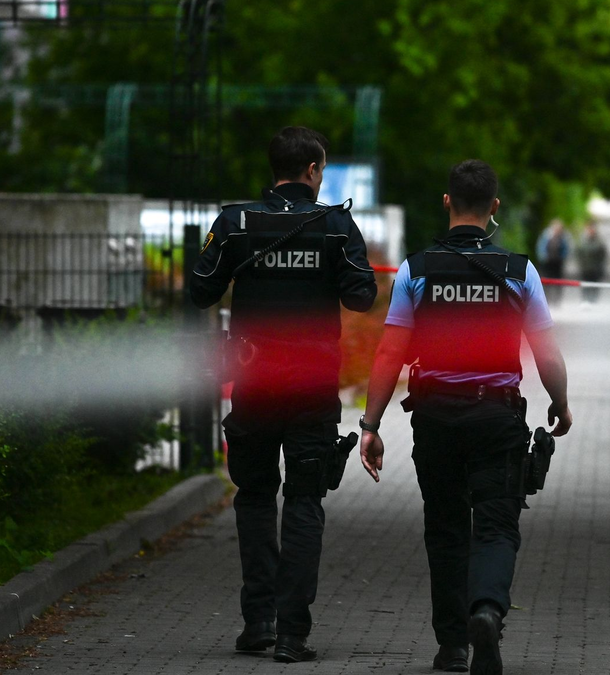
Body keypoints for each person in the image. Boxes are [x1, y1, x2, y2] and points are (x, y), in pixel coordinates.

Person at [358, 159, 572, 674]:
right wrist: (560, 403)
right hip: (497, 418)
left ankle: (453, 645)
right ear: (494, 207)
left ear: (447, 202)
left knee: (446, 528)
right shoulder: (519, 271)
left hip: (435, 419)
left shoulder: (416, 270)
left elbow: (389, 353)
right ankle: (487, 611)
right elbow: (545, 352)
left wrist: (370, 425)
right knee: (496, 526)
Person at [190, 126, 377, 663]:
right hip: (312, 388)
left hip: (254, 383)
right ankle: (294, 634)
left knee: (254, 496)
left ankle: (259, 621)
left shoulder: (235, 223)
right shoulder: (336, 226)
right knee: (304, 499)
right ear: (313, 170)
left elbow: (200, 291)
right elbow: (362, 297)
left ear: (273, 169)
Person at [535, 219, 571, 306]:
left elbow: (566, 249)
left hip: (558, 263)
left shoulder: (563, 238)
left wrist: (562, 258)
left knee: (558, 281)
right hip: (547, 263)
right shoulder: (546, 236)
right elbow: (541, 247)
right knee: (546, 281)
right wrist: (543, 257)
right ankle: (546, 299)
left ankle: (557, 300)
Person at [576, 219, 608, 304]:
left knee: (595, 285)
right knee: (585, 285)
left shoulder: (599, 241)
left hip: (595, 268)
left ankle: (594, 301)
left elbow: (603, 255)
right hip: (585, 268)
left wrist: (600, 266)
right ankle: (585, 300)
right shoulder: (582, 241)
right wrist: (581, 264)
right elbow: (578, 253)